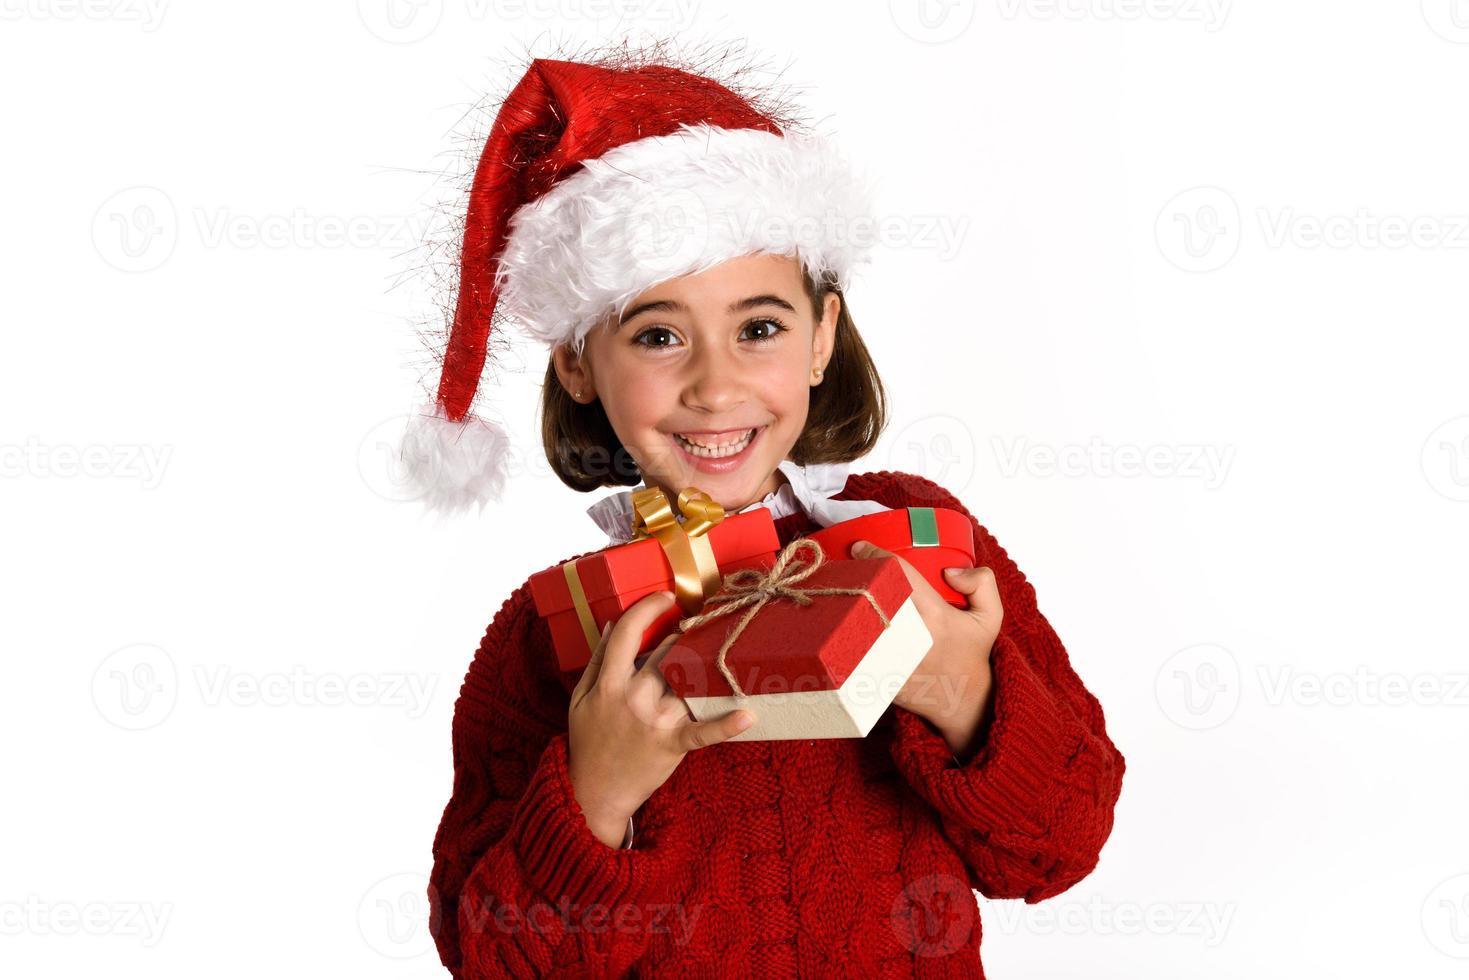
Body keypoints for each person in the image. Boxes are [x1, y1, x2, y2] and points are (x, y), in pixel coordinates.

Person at [406, 44, 1126, 978]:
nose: (716, 385)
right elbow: (487, 959)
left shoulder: (916, 542)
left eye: (759, 328)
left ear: (821, 337)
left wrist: (963, 698)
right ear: (578, 365)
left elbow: (1057, 849)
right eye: (658, 334)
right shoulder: (551, 636)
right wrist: (595, 794)